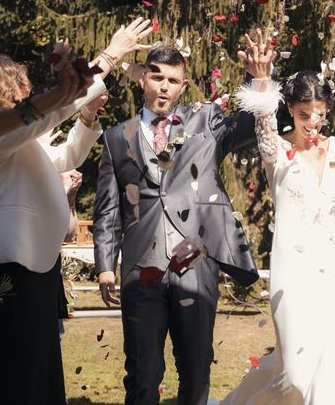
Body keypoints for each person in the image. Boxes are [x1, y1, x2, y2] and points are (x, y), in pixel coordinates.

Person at [0, 18, 152, 405]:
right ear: (5, 89)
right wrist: (109, 57)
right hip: (2, 275)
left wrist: (86, 120)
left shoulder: (12, 143)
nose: (28, 93)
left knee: (36, 380)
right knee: (8, 383)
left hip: (29, 274)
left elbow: (63, 157)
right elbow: (46, 115)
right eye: (21, 87)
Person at [93, 39, 261, 405]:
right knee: (142, 372)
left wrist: (256, 79)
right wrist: (106, 266)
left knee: (197, 368)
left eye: (173, 80)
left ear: (184, 86)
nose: (164, 86)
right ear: (143, 80)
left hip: (197, 265)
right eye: (157, 77)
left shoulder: (206, 122)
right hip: (141, 267)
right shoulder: (116, 138)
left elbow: (248, 127)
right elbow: (107, 209)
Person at [220, 32, 335, 405]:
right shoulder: (276, 150)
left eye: (320, 114)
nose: (313, 123)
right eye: (305, 114)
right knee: (294, 371)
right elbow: (262, 121)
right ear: (290, 108)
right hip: (293, 269)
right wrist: (261, 78)